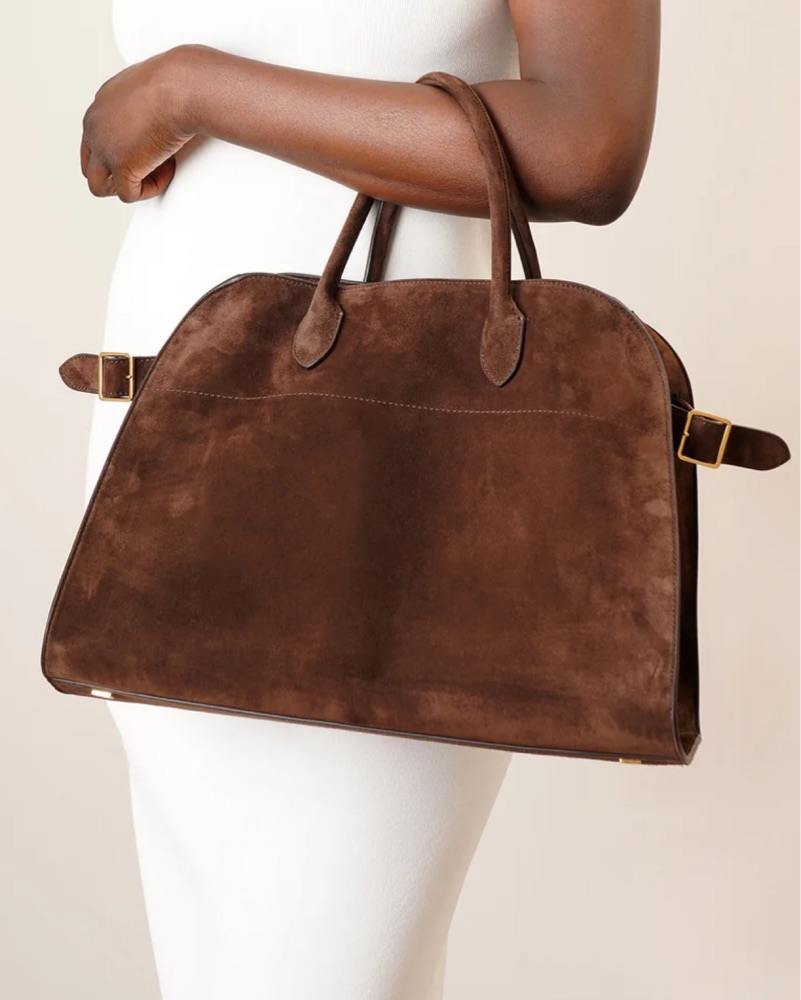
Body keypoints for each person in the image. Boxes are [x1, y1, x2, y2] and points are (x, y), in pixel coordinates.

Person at [78, 2, 661, 997]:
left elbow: (587, 143)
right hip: (162, 463)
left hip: (397, 494)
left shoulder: (191, 85)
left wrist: (191, 88)